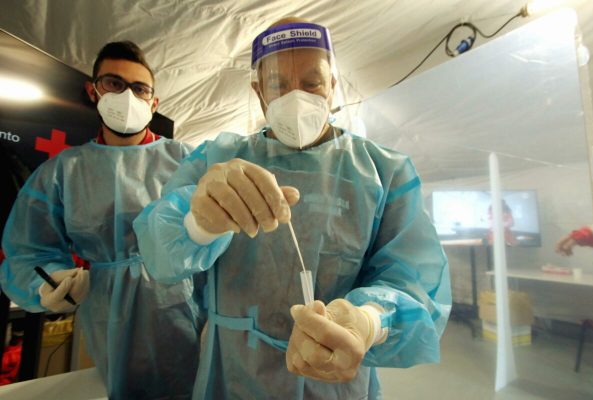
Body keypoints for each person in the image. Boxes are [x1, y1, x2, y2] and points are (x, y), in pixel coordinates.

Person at [134, 18, 451, 399]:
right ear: (258, 92)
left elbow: (414, 281)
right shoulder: (217, 158)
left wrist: (368, 320)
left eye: (312, 82)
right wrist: (198, 224)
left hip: (336, 381)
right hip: (233, 375)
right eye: (278, 85)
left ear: (332, 85)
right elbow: (158, 255)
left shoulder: (384, 172)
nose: (296, 97)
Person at [0, 41, 201, 399]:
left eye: (139, 88)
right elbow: (27, 250)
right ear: (94, 92)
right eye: (114, 83)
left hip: (183, 305)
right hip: (109, 310)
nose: (127, 96)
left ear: (153, 103)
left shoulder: (187, 160)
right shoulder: (63, 171)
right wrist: (47, 284)